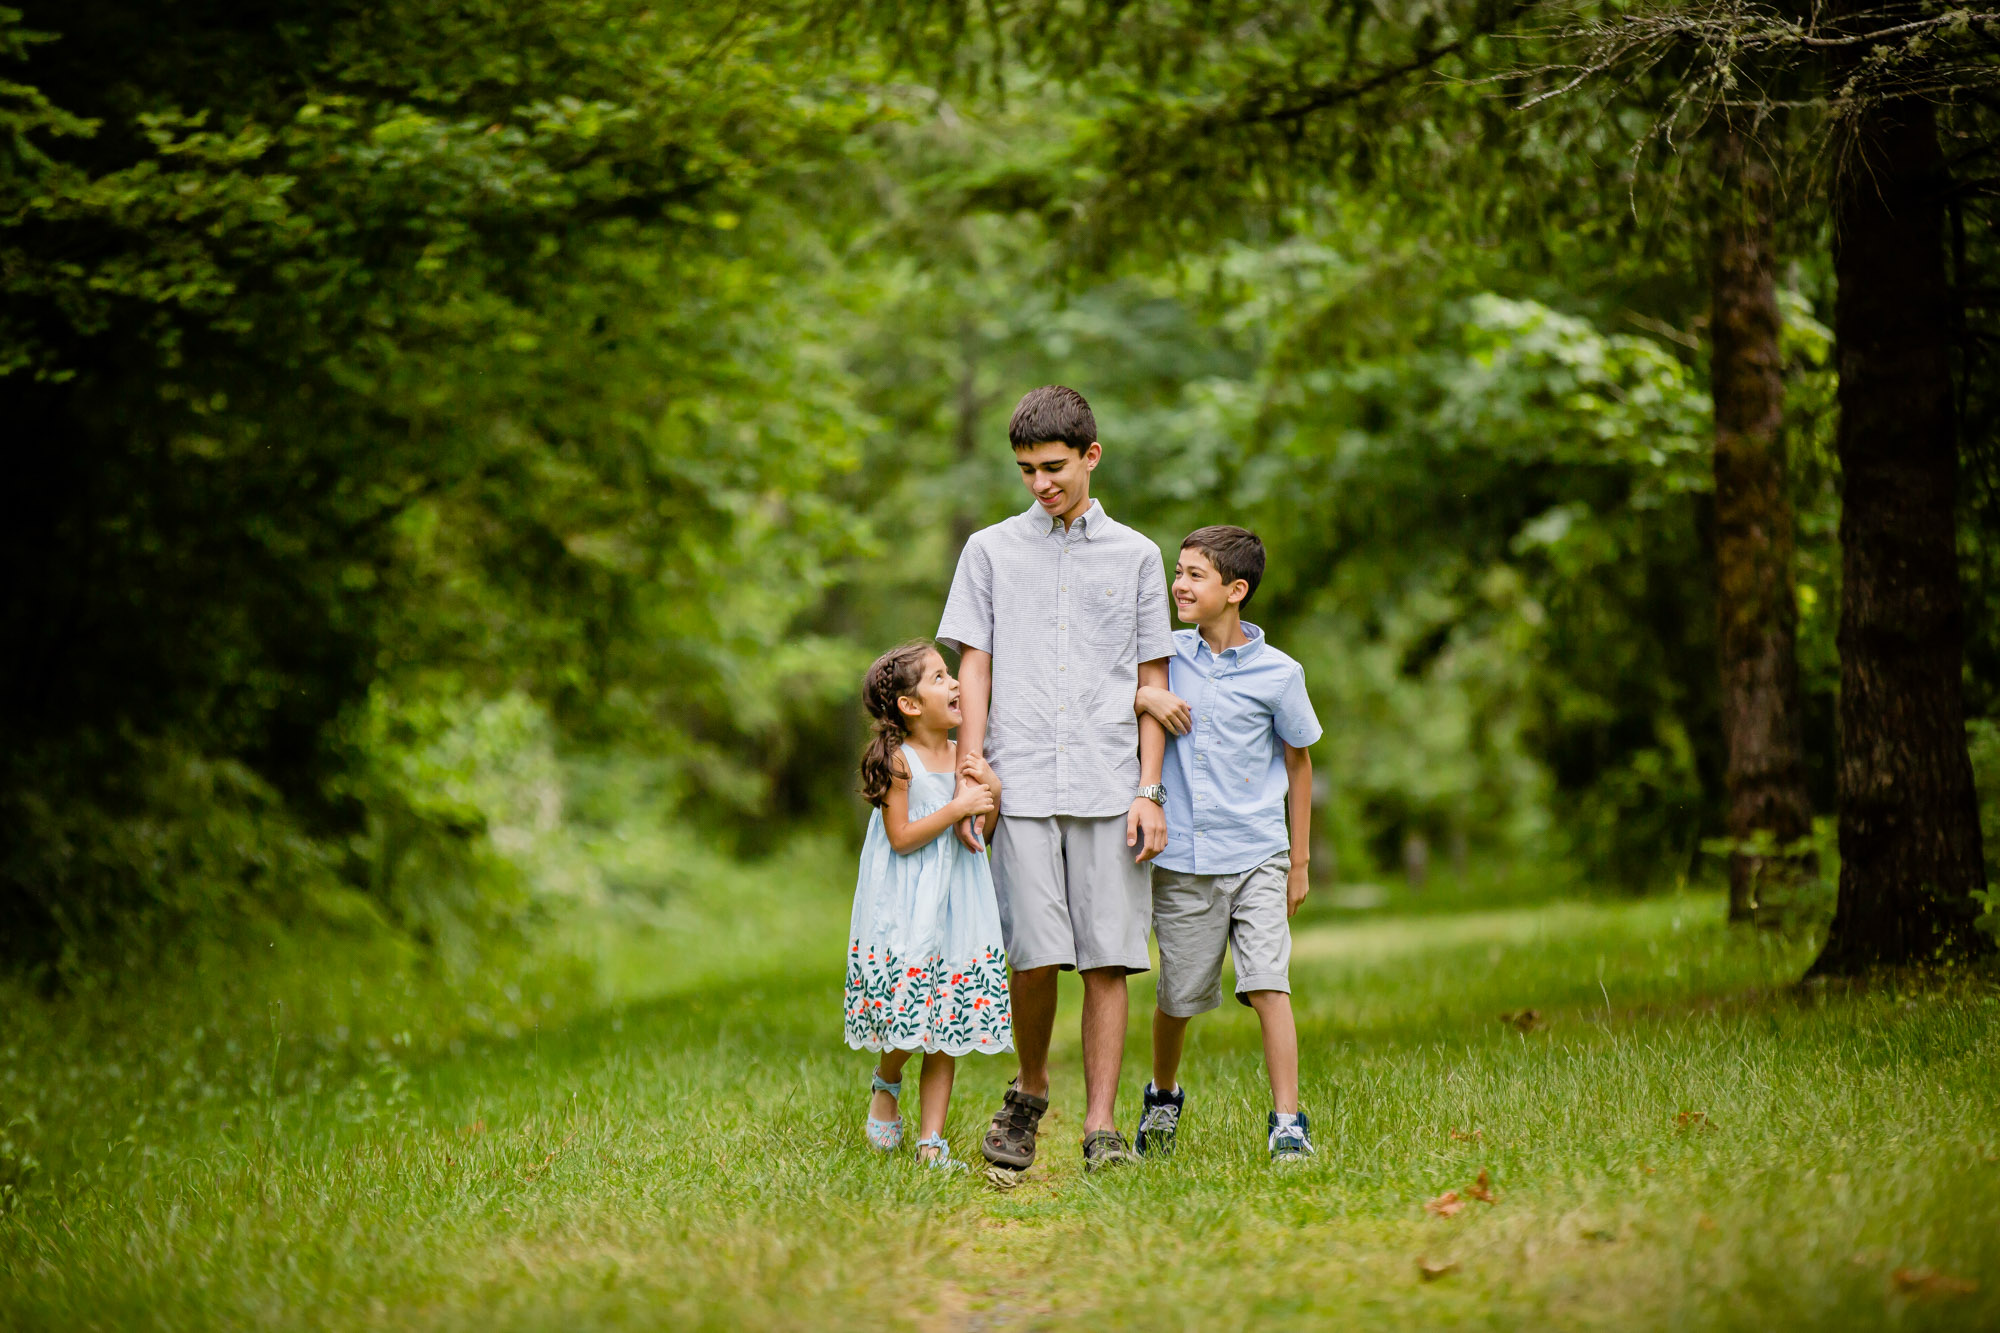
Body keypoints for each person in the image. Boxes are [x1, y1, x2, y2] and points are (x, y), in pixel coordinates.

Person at [937, 385, 1175, 1174]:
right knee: (1033, 953)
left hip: (1112, 782)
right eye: (1025, 470)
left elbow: (1152, 681)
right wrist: (974, 770)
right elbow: (975, 663)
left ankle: (1101, 1127)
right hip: (1021, 778)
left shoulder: (1138, 555)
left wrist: (1149, 790)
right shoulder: (991, 550)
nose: (1039, 483)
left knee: (1108, 955)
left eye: (1052, 467)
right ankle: (1031, 1091)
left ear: (1090, 456)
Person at [1130, 525, 1324, 1163]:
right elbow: (1116, 697)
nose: (1178, 585)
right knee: (1178, 995)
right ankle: (1163, 1096)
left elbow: (1299, 765)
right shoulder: (1164, 657)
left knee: (1270, 981)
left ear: (1235, 590)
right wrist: (1146, 693)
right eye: (1178, 571)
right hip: (1184, 860)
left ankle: (1287, 1121)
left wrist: (1297, 862)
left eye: (1194, 575)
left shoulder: (1279, 673)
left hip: (1258, 854)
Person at [844, 641, 1012, 1171]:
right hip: (909, 902)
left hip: (959, 901)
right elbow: (901, 838)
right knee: (907, 1014)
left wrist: (992, 792)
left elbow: (981, 823)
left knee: (946, 1029)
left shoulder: (966, 753)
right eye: (941, 677)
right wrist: (957, 806)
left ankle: (930, 1143)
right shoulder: (900, 762)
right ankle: (886, 1079)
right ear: (911, 705)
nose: (956, 683)